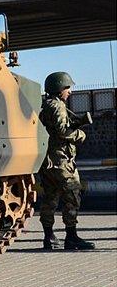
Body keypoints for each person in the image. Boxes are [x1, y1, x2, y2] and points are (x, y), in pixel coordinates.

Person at [38, 72, 94, 250]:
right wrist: (79, 134)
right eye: (67, 87)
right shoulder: (58, 107)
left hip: (48, 161)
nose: (69, 91)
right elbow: (62, 131)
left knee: (50, 198)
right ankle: (71, 237)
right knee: (72, 196)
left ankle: (49, 237)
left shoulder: (46, 105)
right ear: (59, 88)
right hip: (61, 160)